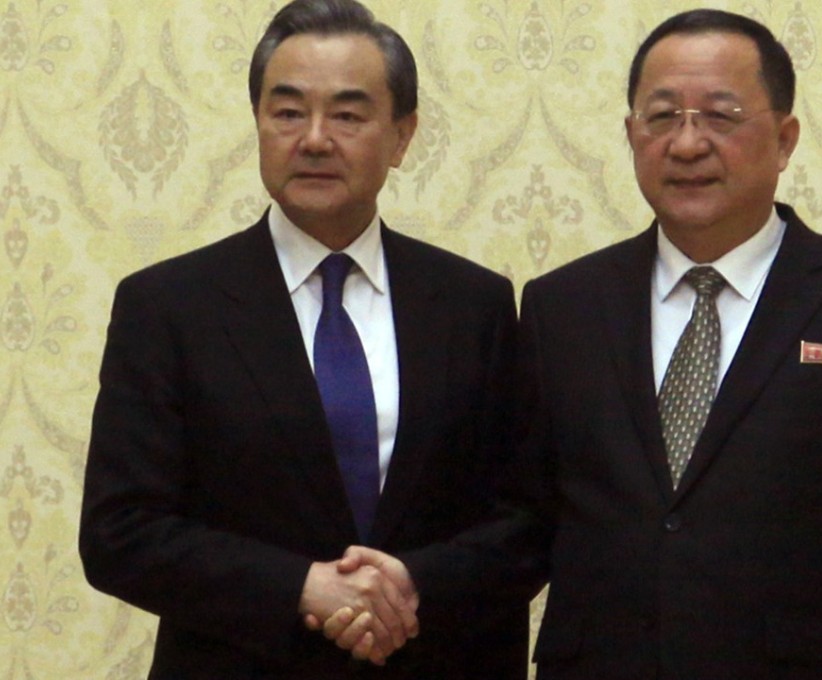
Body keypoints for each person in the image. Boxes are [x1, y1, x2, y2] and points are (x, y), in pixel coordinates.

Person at [334, 8, 822, 679]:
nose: (687, 144)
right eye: (662, 117)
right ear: (631, 135)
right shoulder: (563, 308)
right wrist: (414, 582)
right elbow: (526, 523)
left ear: (784, 140)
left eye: (720, 116)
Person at [78, 0, 527, 677]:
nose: (314, 139)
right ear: (258, 122)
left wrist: (409, 587)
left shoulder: (475, 305)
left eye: (347, 115)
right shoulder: (167, 306)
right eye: (288, 112)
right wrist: (301, 588)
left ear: (402, 137)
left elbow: (524, 519)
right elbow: (120, 534)